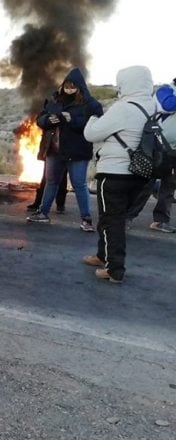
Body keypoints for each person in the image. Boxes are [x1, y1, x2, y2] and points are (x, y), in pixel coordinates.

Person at [83, 65, 155, 283]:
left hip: (115, 173)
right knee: (115, 218)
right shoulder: (153, 106)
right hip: (142, 173)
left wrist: (93, 119)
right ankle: (102, 256)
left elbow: (91, 134)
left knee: (111, 221)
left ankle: (114, 269)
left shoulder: (123, 108)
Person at [27, 68, 103, 232]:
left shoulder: (90, 104)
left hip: (77, 152)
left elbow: (96, 124)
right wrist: (48, 119)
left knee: (79, 184)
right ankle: (43, 213)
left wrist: (73, 120)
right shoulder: (55, 101)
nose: (68, 90)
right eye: (66, 86)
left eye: (72, 87)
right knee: (51, 182)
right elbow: (40, 119)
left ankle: (86, 219)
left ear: (79, 87)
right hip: (54, 150)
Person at [125, 78, 176, 233]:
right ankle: (127, 216)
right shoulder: (165, 90)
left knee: (169, 186)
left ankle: (161, 220)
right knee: (145, 184)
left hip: (173, 150)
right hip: (157, 146)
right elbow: (168, 105)